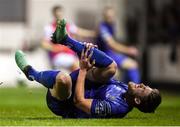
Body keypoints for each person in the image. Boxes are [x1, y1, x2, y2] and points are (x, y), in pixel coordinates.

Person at [15, 19, 161, 118]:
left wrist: (84, 70)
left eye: (143, 89)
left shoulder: (117, 108)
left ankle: (31, 73)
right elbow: (100, 75)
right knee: (111, 68)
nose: (141, 84)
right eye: (144, 86)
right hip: (82, 82)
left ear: (137, 100)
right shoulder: (124, 89)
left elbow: (79, 102)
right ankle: (65, 39)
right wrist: (91, 58)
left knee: (63, 79)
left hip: (65, 102)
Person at [42, 5, 95, 72]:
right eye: (57, 14)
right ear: (53, 14)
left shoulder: (68, 25)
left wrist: (93, 33)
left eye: (60, 13)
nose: (59, 16)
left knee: (85, 65)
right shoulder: (49, 28)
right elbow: (44, 44)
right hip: (58, 56)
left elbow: (79, 31)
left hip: (70, 55)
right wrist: (55, 48)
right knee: (78, 66)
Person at [96, 6, 140, 83]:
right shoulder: (103, 27)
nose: (110, 18)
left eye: (111, 16)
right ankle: (131, 90)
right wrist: (128, 50)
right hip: (104, 55)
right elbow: (111, 44)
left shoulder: (111, 25)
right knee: (118, 71)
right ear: (104, 17)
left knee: (132, 65)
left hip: (111, 54)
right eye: (107, 17)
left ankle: (130, 89)